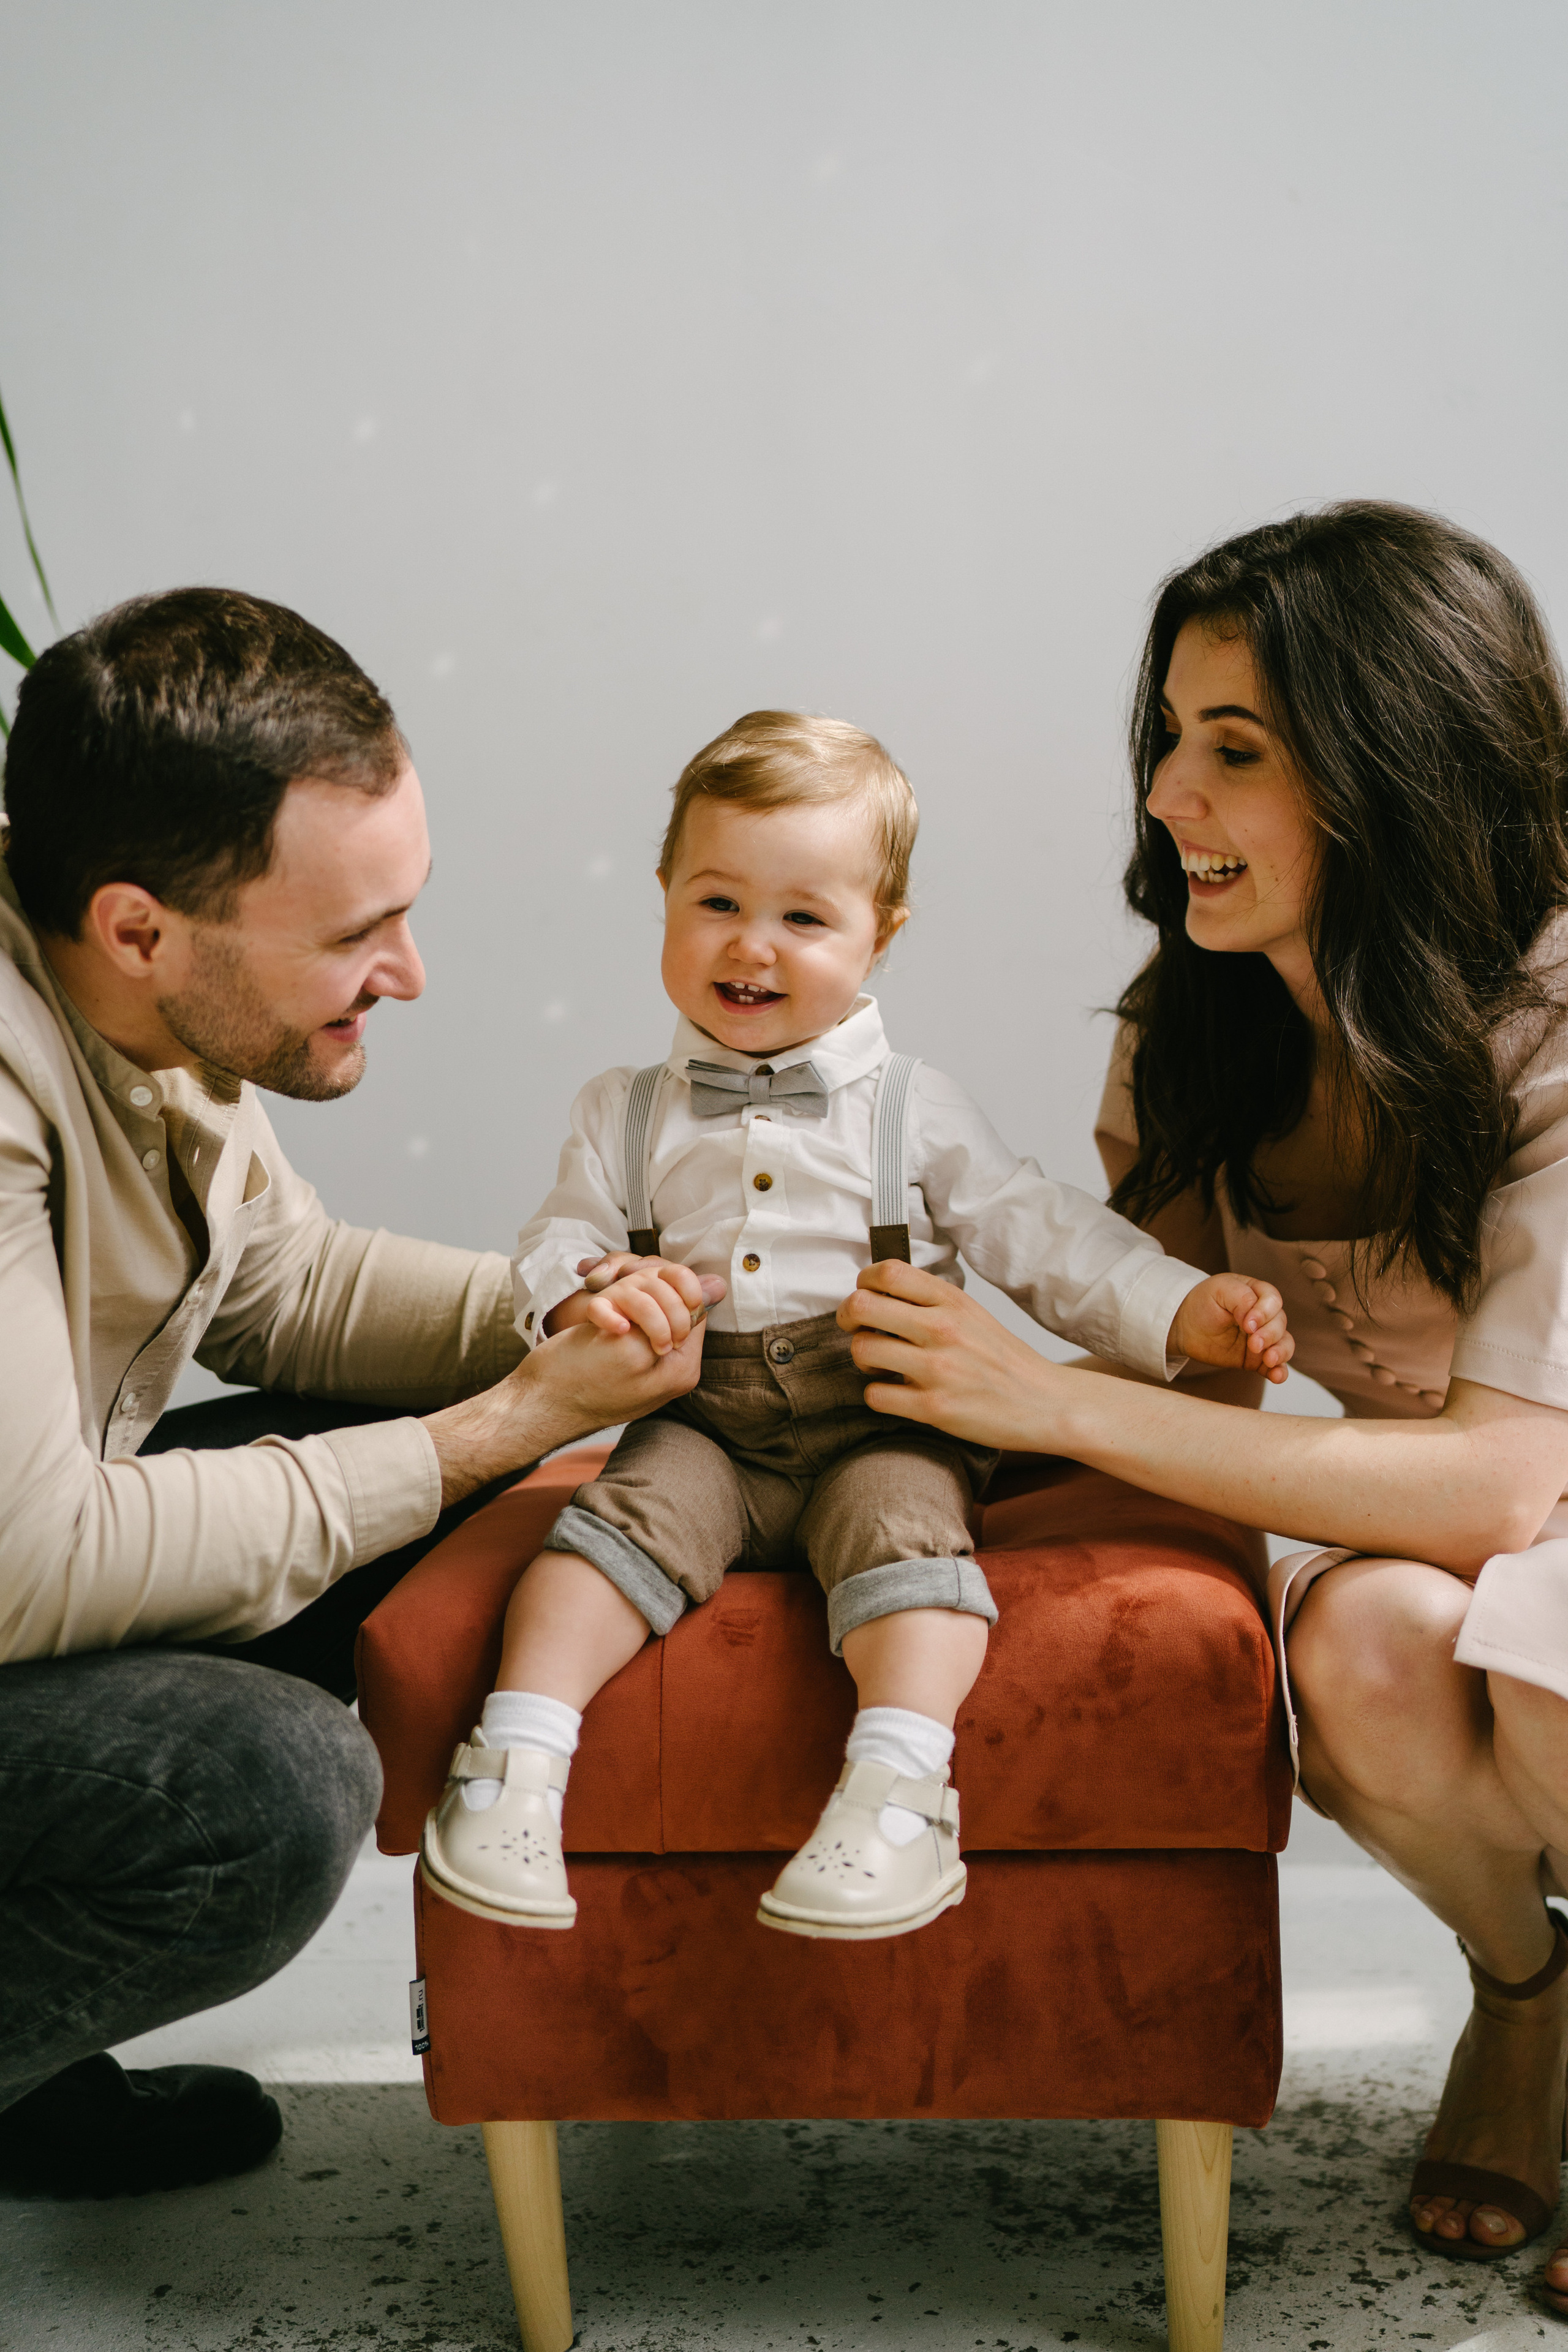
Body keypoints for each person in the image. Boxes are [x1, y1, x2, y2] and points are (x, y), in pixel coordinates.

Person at [832, 502, 1568, 2309]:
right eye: (1171, 736)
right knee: (1373, 1654)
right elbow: (1156, 1361)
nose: (1167, 795)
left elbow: (1505, 1483)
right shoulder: (1196, 1018)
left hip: (1524, 1491)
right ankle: (1533, 1997)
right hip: (1418, 1506)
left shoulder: (1553, 1018)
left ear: (1398, 766)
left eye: (1233, 751)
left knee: (1542, 1657)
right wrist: (883, 1433)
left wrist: (1063, 1411)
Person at [0, 588, 703, 2198]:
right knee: (260, 1796)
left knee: (417, 1507)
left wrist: (564, 1309)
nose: (408, 972)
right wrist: (509, 1424)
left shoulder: (139, 1006)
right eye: (350, 936)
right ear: (137, 928)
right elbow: (32, 1560)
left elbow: (277, 1289)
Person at [417, 709, 1293, 1943]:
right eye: (717, 902)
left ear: (878, 936)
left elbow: (1042, 1238)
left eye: (804, 918)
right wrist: (583, 1291)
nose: (752, 948)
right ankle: (514, 1769)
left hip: (878, 1416)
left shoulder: (909, 1108)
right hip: (697, 1426)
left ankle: (894, 1793)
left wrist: (1179, 1313)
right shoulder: (621, 1110)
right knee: (599, 1535)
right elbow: (554, 1238)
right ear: (664, 895)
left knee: (904, 1536)